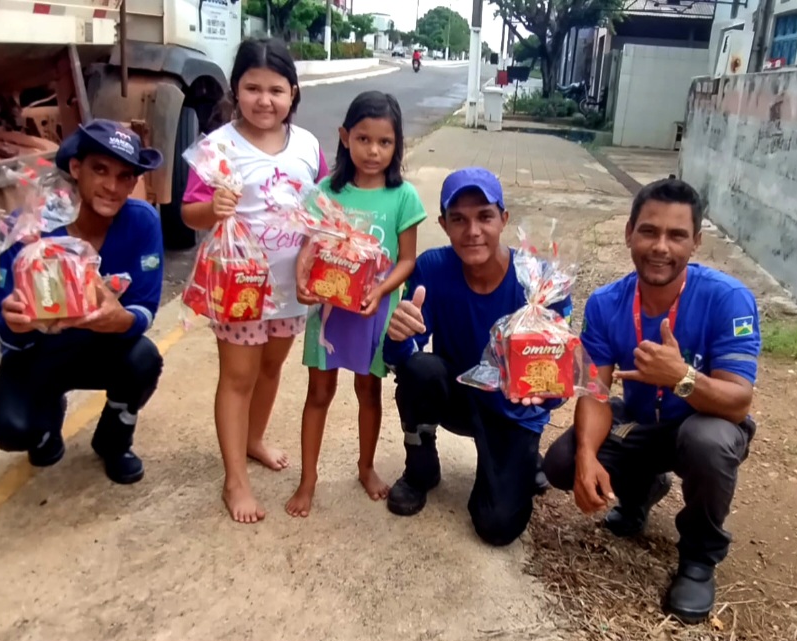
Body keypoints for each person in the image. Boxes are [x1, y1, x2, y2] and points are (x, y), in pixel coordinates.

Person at [541, 178, 761, 624]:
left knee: (709, 441)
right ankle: (641, 493)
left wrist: (681, 378)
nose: (661, 247)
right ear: (629, 233)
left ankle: (699, 559)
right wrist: (586, 456)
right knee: (562, 461)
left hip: (706, 421)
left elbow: (738, 402)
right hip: (642, 422)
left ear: (696, 242)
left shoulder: (728, 299)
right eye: (649, 231)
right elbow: (595, 391)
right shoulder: (605, 304)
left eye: (677, 235)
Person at [181, 37, 329, 524]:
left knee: (270, 369)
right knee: (238, 378)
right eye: (252, 88)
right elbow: (189, 213)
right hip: (239, 288)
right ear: (236, 90)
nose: (264, 100)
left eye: (276, 90)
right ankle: (234, 480)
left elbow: (324, 207)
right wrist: (212, 208)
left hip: (293, 288)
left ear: (293, 93)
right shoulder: (218, 146)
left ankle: (253, 438)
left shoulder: (308, 146)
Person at [381, 167, 570, 547]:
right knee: (421, 369)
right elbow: (399, 360)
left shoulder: (539, 282)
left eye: (485, 216)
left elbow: (557, 388)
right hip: (460, 395)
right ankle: (421, 467)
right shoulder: (432, 269)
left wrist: (543, 391)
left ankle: (520, 456)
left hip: (512, 409)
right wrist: (398, 334)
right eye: (459, 219)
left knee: (497, 527)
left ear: (504, 219)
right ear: (444, 225)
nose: (472, 231)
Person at [0, 119, 165, 485]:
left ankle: (114, 441)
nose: (112, 187)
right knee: (8, 428)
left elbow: (145, 308)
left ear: (133, 182)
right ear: (76, 169)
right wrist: (17, 324)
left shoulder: (142, 222)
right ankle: (46, 423)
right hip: (38, 351)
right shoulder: (27, 227)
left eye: (125, 176)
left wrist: (120, 319)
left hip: (101, 347)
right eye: (100, 170)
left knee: (144, 359)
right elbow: (3, 328)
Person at [285, 91, 426, 517]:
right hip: (328, 314)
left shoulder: (403, 198)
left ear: (396, 144)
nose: (373, 151)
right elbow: (308, 250)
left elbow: (406, 260)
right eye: (363, 139)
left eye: (385, 142)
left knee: (369, 391)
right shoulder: (326, 193)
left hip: (373, 313)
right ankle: (308, 479)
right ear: (345, 137)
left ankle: (366, 467)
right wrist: (301, 279)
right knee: (319, 393)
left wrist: (381, 291)